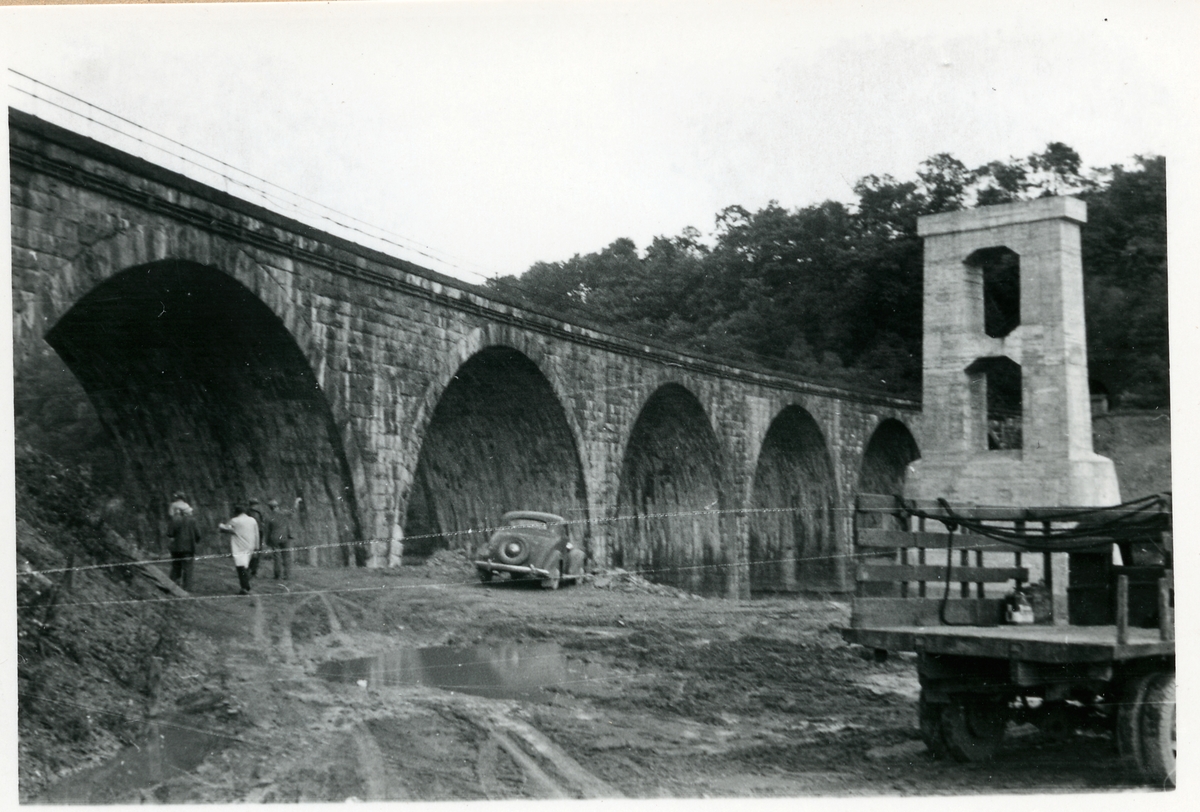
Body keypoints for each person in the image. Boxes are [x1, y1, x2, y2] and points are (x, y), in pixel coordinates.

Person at [219, 503, 259, 595]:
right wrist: (257, 547)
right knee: (245, 566)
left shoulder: (235, 520)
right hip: (250, 545)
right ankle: (246, 583)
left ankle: (245, 587)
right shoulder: (252, 520)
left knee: (241, 566)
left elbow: (225, 528)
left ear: (236, 512)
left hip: (239, 546)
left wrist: (220, 525)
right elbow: (257, 534)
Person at [166, 504, 200, 590]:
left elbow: (170, 533)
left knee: (176, 567)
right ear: (187, 512)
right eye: (190, 511)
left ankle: (172, 586)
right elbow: (198, 535)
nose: (191, 512)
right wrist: (196, 541)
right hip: (188, 548)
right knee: (188, 568)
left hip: (176, 548)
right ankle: (187, 588)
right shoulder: (193, 520)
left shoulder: (175, 519)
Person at [265, 498, 294, 580]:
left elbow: (267, 530)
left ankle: (277, 575)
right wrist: (296, 502)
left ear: (270, 508)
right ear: (277, 506)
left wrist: (267, 541)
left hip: (274, 538)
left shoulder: (269, 517)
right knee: (286, 556)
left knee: (277, 557)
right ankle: (287, 575)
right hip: (285, 537)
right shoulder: (284, 513)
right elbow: (293, 511)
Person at [246, 498, 266, 578]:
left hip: (249, 532)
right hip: (259, 532)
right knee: (257, 550)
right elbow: (263, 522)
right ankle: (254, 570)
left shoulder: (247, 511)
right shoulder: (261, 511)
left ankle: (248, 569)